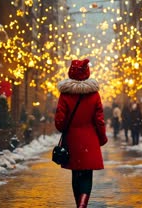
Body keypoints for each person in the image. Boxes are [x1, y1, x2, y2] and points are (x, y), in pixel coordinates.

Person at [54, 58, 108, 208]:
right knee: (86, 175)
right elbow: (99, 121)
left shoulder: (65, 95)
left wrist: (66, 127)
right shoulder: (94, 95)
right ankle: (83, 204)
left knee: (76, 175)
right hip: (90, 141)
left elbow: (60, 122)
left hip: (72, 141)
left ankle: (79, 203)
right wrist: (102, 139)